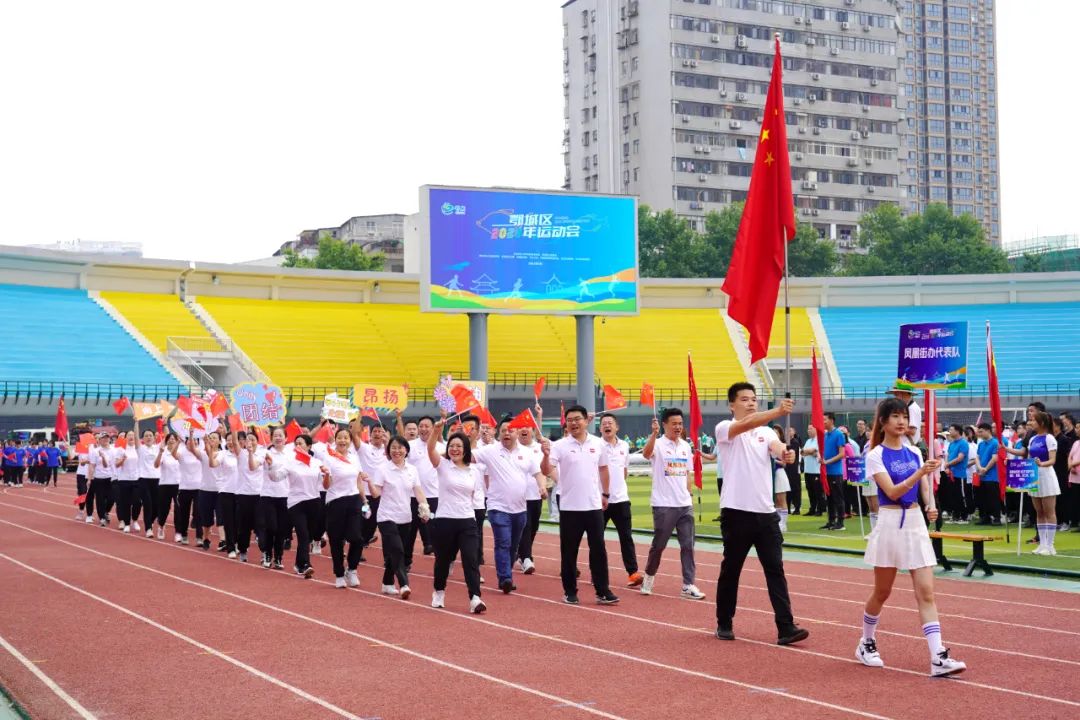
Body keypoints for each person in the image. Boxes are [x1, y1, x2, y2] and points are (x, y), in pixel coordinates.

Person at [856, 397, 966, 677]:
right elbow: (892, 492)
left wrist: (930, 504)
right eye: (894, 416)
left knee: (926, 592)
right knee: (883, 592)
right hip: (891, 521)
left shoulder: (915, 451)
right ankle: (866, 641)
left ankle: (937, 656)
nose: (901, 421)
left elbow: (925, 488)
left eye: (904, 415)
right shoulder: (875, 455)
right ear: (882, 422)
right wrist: (920, 472)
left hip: (915, 522)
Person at [713, 383, 808, 645]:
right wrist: (777, 411)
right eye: (745, 399)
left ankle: (786, 627)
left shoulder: (766, 432)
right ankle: (724, 622)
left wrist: (785, 453)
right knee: (731, 570)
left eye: (754, 399)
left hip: (766, 513)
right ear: (732, 404)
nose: (751, 403)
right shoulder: (725, 429)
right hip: (736, 512)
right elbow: (747, 423)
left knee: (775, 570)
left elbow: (777, 447)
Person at [540, 404, 620, 606]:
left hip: (593, 506)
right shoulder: (559, 445)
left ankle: (602, 590)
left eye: (578, 419)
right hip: (569, 507)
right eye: (570, 420)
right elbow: (546, 469)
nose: (574, 423)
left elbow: (603, 469)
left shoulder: (597, 443)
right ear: (566, 424)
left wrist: (606, 493)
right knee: (569, 552)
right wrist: (545, 454)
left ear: (586, 420)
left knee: (599, 550)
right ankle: (569, 591)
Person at [473, 416, 546, 594]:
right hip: (498, 507)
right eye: (504, 430)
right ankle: (505, 578)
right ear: (498, 433)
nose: (507, 433)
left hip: (520, 508)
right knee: (503, 542)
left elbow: (538, 473)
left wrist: (542, 487)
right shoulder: (490, 451)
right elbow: (468, 455)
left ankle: (508, 570)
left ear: (516, 432)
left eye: (510, 430)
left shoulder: (527, 453)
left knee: (513, 546)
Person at [641, 409, 704, 599]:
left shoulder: (685, 446)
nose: (678, 427)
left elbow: (687, 473)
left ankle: (688, 584)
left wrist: (689, 493)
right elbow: (646, 454)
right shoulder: (658, 444)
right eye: (674, 423)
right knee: (659, 545)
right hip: (663, 505)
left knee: (688, 545)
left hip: (684, 504)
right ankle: (649, 576)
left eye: (680, 423)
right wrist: (653, 434)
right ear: (664, 425)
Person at [427, 422, 486, 613]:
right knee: (443, 560)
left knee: (471, 559)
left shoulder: (474, 470)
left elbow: (473, 495)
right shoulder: (443, 466)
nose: (455, 449)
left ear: (465, 449)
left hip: (467, 520)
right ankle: (439, 591)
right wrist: (436, 431)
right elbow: (430, 448)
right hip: (445, 520)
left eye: (459, 446)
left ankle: (475, 598)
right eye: (451, 446)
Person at [370, 435, 430, 599]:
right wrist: (368, 483)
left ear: (406, 450)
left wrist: (424, 508)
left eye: (400, 448)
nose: (396, 451)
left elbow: (418, 490)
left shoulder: (412, 470)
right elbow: (376, 493)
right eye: (393, 448)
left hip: (405, 517)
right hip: (386, 516)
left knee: (394, 552)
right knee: (397, 550)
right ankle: (404, 584)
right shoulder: (383, 469)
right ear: (389, 451)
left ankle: (387, 583)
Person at [322, 428, 371, 588]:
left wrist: (364, 501)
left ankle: (352, 569)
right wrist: (327, 475)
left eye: (346, 438)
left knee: (357, 538)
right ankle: (339, 574)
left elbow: (358, 481)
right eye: (340, 438)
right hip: (335, 501)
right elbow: (326, 485)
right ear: (335, 439)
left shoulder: (354, 457)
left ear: (350, 440)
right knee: (336, 540)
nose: (343, 441)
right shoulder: (329, 457)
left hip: (354, 500)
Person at [598, 412, 642, 587]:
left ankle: (632, 573)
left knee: (626, 537)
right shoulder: (595, 445)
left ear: (617, 427)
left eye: (610, 423)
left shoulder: (624, 445)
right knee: (597, 540)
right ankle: (598, 573)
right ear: (600, 428)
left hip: (622, 500)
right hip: (600, 500)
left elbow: (624, 471)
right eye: (603, 423)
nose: (607, 426)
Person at [286, 434, 327, 578]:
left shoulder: (316, 462)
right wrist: (271, 466)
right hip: (296, 502)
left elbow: (325, 485)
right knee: (303, 534)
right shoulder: (290, 462)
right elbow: (276, 476)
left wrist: (327, 475)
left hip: (313, 501)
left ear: (309, 446)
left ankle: (298, 564)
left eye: (301, 443)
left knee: (308, 536)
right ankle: (305, 565)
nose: (298, 446)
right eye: (295, 443)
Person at [516, 405, 547, 575]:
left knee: (533, 526)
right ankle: (526, 557)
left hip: (536, 494)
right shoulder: (513, 447)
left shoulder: (538, 447)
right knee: (525, 526)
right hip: (519, 496)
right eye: (521, 427)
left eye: (527, 426)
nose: (524, 430)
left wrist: (539, 417)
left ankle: (521, 552)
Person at [405, 415, 442, 557]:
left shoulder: (441, 447)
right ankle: (406, 562)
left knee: (434, 530)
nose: (423, 429)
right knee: (410, 532)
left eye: (427, 426)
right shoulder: (409, 446)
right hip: (412, 496)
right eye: (421, 426)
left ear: (433, 428)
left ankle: (439, 563)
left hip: (433, 495)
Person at [1027, 411, 1061, 556]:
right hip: (1034, 477)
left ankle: (1050, 545)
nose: (1031, 423)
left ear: (1041, 423)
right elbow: (1028, 458)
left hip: (1047, 475)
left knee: (1049, 512)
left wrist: (1042, 463)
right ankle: (1042, 544)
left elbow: (1052, 460)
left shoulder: (1049, 438)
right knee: (1039, 512)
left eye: (1033, 420)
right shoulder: (1032, 439)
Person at [260, 427, 293, 570]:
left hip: (285, 495)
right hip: (268, 494)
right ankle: (267, 554)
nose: (278, 438)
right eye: (275, 436)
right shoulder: (266, 453)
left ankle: (278, 557)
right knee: (271, 527)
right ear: (271, 438)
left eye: (281, 435)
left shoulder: (290, 455)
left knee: (281, 529)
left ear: (286, 438)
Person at [235, 432, 264, 562]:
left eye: (253, 439)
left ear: (257, 441)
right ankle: (243, 550)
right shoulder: (241, 453)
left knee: (261, 525)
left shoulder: (262, 454)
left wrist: (252, 452)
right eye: (247, 440)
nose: (250, 441)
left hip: (259, 494)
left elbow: (253, 466)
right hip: (244, 494)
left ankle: (264, 552)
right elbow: (235, 441)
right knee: (243, 526)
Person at [215, 432, 242, 558]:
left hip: (242, 492)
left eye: (234, 440)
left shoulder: (244, 455)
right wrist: (210, 453)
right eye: (229, 440)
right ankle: (231, 547)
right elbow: (214, 463)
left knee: (239, 520)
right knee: (229, 520)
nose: (231, 442)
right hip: (226, 491)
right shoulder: (223, 454)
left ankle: (237, 542)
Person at [174, 436, 204, 544]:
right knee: (184, 513)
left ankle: (199, 537)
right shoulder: (181, 452)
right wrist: (177, 442)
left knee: (198, 513)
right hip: (185, 487)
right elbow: (174, 455)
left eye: (196, 439)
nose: (193, 441)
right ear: (186, 442)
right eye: (191, 440)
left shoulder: (200, 452)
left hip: (198, 487)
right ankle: (184, 535)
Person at [821, 413, 847, 531]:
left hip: (836, 472)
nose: (823, 422)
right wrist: (821, 459)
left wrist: (827, 462)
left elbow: (842, 454)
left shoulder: (839, 434)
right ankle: (831, 521)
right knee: (829, 498)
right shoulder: (825, 435)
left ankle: (840, 522)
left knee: (838, 498)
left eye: (825, 419)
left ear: (831, 420)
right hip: (827, 472)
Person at [134, 426, 161, 538]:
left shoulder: (158, 448)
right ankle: (148, 528)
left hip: (157, 479)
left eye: (150, 435)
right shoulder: (140, 448)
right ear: (142, 439)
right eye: (146, 436)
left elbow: (167, 436)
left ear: (154, 438)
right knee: (147, 504)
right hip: (143, 479)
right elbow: (135, 435)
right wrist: (136, 422)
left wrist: (164, 424)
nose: (148, 437)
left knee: (156, 506)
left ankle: (150, 521)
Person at [153, 433, 180, 540]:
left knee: (179, 509)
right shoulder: (163, 453)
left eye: (174, 439)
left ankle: (178, 532)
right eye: (170, 439)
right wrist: (160, 453)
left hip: (178, 484)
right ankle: (161, 526)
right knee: (164, 508)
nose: (172, 440)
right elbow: (156, 465)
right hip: (165, 484)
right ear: (166, 441)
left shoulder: (180, 452)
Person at [973, 423, 1002, 525]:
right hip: (982, 475)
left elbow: (995, 458)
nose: (979, 433)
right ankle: (984, 517)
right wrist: (980, 467)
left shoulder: (995, 443)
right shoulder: (981, 444)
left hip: (992, 476)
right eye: (979, 431)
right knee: (982, 498)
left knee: (993, 498)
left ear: (988, 431)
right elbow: (977, 457)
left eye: (981, 431)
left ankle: (996, 517)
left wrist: (985, 468)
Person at [114, 431, 140, 533]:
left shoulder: (138, 449)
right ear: (125, 438)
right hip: (124, 479)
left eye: (133, 435)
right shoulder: (121, 449)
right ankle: (127, 524)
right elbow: (116, 464)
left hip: (137, 479)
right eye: (129, 435)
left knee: (137, 502)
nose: (131, 437)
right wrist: (123, 460)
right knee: (126, 503)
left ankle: (135, 520)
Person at [943, 425, 969, 524]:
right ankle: (955, 516)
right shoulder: (952, 443)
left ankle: (964, 517)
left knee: (961, 495)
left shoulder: (963, 443)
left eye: (951, 430)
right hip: (951, 474)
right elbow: (948, 455)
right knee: (953, 496)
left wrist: (947, 464)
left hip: (960, 474)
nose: (949, 432)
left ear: (958, 431)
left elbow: (960, 458)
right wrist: (947, 466)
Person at [87, 434, 114, 527]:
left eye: (107, 438)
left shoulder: (113, 450)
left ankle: (106, 511)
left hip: (111, 477)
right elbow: (92, 466)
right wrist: (89, 479)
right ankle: (102, 517)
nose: (106, 440)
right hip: (98, 478)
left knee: (111, 498)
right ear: (99, 440)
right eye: (103, 438)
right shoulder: (95, 451)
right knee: (100, 499)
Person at [801, 426, 823, 517]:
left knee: (818, 491)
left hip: (816, 470)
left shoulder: (819, 440)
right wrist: (810, 452)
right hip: (807, 470)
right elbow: (802, 452)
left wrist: (810, 452)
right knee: (810, 491)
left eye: (811, 429)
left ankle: (820, 509)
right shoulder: (808, 441)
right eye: (808, 428)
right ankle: (812, 509)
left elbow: (816, 452)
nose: (808, 430)